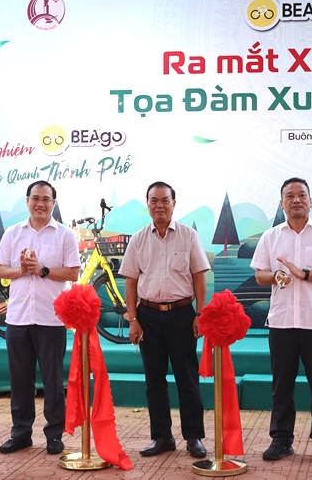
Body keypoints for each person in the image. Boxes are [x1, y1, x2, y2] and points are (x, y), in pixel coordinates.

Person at [250, 177, 312, 464]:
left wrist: (304, 274)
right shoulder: (270, 237)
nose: (296, 200)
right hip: (282, 322)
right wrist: (277, 276)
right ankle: (281, 439)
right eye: (290, 196)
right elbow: (260, 275)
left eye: (301, 195)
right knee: (281, 384)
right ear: (282, 203)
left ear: (310, 201)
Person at [119, 181, 210, 458]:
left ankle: (193, 437)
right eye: (154, 200)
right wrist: (133, 319)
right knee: (154, 379)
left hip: (182, 315)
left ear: (174, 203)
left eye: (165, 200)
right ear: (147, 204)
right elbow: (131, 282)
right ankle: (162, 437)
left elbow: (199, 277)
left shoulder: (188, 236)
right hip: (148, 316)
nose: (159, 205)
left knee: (187, 378)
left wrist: (199, 314)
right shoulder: (138, 239)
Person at [0, 180, 80, 455]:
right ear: (27, 201)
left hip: (51, 318)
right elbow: (0, 271)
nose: (40, 204)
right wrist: (21, 270)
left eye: (46, 199)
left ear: (53, 203)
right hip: (18, 318)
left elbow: (73, 272)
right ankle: (20, 433)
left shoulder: (64, 235)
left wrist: (43, 270)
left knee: (53, 381)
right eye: (35, 198)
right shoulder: (12, 233)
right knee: (20, 380)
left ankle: (54, 435)